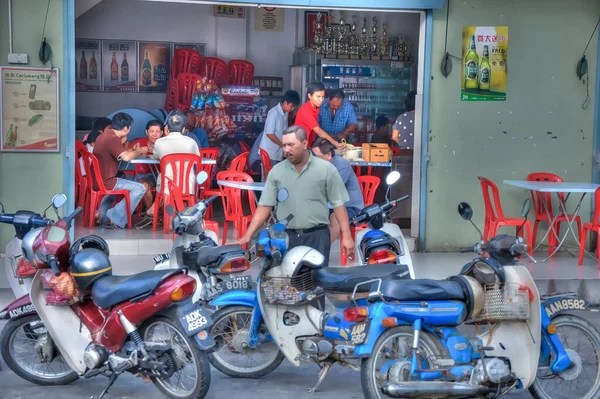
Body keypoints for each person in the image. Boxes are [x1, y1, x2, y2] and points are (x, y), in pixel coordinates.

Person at [235, 125, 354, 266]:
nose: (286, 150)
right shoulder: (276, 171)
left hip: (317, 236)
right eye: (284, 145)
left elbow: (338, 205)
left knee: (316, 282)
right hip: (286, 237)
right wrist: (247, 235)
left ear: (304, 144)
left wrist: (346, 236)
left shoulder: (326, 169)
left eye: (291, 145)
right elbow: (265, 206)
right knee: (286, 283)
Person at [93, 112, 148, 228]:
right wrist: (138, 151)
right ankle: (114, 216)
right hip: (106, 181)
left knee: (122, 177)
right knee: (140, 188)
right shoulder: (113, 138)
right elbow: (126, 158)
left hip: (97, 179)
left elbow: (121, 153)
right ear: (126, 128)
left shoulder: (106, 134)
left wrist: (132, 150)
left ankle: (101, 213)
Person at [311, 138, 364, 244]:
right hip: (329, 205)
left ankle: (321, 250)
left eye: (317, 157)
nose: (313, 161)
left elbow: (330, 191)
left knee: (336, 218)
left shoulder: (342, 165)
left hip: (350, 207)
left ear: (329, 155)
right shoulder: (318, 166)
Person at [147, 110, 200, 218]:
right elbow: (196, 160)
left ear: (167, 128)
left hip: (166, 186)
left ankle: (159, 213)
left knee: (164, 184)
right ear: (184, 129)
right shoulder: (191, 142)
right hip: (187, 185)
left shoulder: (159, 142)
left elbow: (156, 157)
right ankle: (179, 219)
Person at [249, 90, 301, 176]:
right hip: (268, 153)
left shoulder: (285, 113)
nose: (293, 109)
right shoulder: (273, 113)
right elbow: (269, 134)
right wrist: (282, 145)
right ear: (285, 102)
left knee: (276, 178)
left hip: (277, 152)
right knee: (268, 179)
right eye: (292, 106)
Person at [294, 82, 345, 151]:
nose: (321, 100)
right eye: (318, 97)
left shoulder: (316, 108)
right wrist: (336, 143)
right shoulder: (305, 110)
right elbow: (318, 130)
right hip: (299, 148)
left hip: (307, 146)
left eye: (323, 96)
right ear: (309, 96)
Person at [131, 120, 163, 212]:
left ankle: (157, 213)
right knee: (144, 186)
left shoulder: (164, 144)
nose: (154, 134)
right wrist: (137, 152)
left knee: (169, 186)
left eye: (157, 132)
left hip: (161, 174)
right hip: (144, 174)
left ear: (161, 133)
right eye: (151, 131)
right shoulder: (140, 143)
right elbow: (128, 152)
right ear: (146, 132)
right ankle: (151, 214)